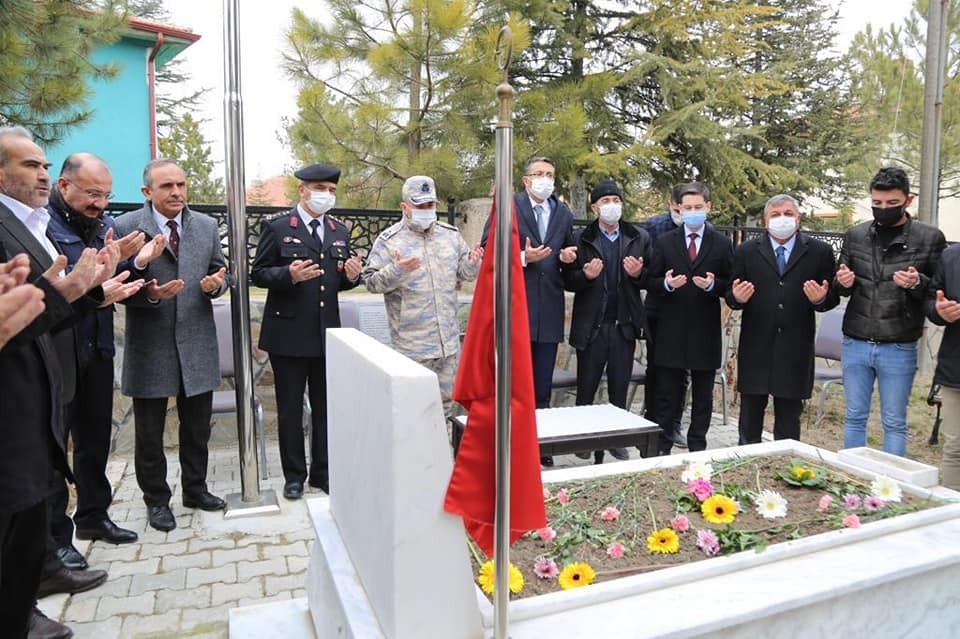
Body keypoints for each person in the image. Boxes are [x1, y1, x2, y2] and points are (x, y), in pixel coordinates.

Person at [0, 126, 121, 639]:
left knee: (44, 487)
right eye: (30, 165)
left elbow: (42, 301)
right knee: (20, 505)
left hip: (45, 373)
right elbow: (25, 306)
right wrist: (70, 291)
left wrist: (88, 289)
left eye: (45, 165)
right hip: (15, 386)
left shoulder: (30, 223)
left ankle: (40, 576)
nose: (42, 174)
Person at [115, 159, 229, 532]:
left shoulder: (206, 226)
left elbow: (219, 270)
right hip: (150, 342)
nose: (176, 192)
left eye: (181, 184)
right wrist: (149, 289)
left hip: (196, 340)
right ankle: (156, 501)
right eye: (166, 186)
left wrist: (216, 285)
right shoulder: (127, 227)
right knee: (149, 432)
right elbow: (115, 284)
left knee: (196, 428)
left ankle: (195, 490)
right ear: (147, 192)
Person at [46, 153, 147, 569]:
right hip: (59, 352)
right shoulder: (43, 227)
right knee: (54, 449)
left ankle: (93, 516)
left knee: (94, 440)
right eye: (92, 194)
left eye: (106, 195)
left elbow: (114, 277)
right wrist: (97, 287)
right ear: (64, 186)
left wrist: (132, 262)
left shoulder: (103, 225)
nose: (100, 203)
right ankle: (55, 538)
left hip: (97, 348)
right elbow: (53, 292)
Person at [251, 163, 363, 500]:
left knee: (325, 408)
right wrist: (288, 275)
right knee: (289, 409)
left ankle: (322, 473)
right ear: (302, 190)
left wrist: (351, 276)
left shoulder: (339, 231)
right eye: (319, 188)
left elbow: (337, 281)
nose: (326, 195)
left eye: (331, 190)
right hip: (288, 335)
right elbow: (259, 273)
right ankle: (294, 476)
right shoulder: (278, 227)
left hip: (326, 335)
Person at [836, 167, 945, 456]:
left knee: (894, 421)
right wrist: (842, 282)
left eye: (891, 203)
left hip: (899, 343)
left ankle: (890, 480)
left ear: (908, 200)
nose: (883, 208)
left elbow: (937, 290)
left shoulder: (929, 238)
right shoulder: (856, 235)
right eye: (877, 203)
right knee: (854, 416)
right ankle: (852, 475)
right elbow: (841, 285)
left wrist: (917, 282)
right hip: (856, 339)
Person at [482, 156, 576, 466]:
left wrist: (568, 256)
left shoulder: (563, 213)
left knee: (541, 386)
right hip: (515, 309)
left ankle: (540, 448)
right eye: (539, 173)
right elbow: (488, 248)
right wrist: (523, 257)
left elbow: (569, 254)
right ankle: (509, 448)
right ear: (526, 180)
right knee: (511, 385)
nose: (545, 179)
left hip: (549, 310)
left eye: (550, 174)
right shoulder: (507, 207)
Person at [363, 175, 482, 416]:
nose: (427, 210)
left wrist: (473, 263)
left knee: (446, 408)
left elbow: (463, 273)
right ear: (405, 207)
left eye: (431, 205)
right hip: (412, 347)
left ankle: (443, 443)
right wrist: (397, 271)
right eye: (420, 205)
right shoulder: (389, 241)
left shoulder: (450, 235)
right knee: (413, 411)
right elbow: (371, 282)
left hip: (447, 343)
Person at [725, 194, 838, 444]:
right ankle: (746, 460)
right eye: (775, 215)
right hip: (756, 346)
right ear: (765, 221)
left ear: (798, 218)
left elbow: (831, 298)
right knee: (749, 419)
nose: (782, 219)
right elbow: (731, 295)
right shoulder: (747, 251)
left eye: (788, 214)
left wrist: (820, 299)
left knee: (788, 422)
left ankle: (786, 463)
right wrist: (737, 298)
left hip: (794, 348)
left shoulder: (819, 252)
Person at [562, 179, 652, 463]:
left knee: (619, 386)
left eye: (616, 200)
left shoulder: (639, 237)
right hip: (592, 326)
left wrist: (638, 274)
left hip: (623, 325)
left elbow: (651, 277)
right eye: (605, 201)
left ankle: (617, 439)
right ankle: (582, 439)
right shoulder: (581, 238)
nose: (611, 206)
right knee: (586, 386)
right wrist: (585, 276)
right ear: (595, 208)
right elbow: (567, 280)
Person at [648, 181, 732, 455]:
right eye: (687, 207)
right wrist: (667, 284)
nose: (693, 212)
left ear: (708, 207)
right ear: (679, 209)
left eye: (698, 207)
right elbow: (650, 280)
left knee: (703, 396)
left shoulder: (722, 244)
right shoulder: (665, 242)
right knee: (667, 394)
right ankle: (663, 446)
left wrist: (712, 285)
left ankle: (698, 445)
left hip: (705, 330)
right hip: (671, 329)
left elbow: (730, 284)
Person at [642, 186, 688, 448]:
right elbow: (647, 269)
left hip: (686, 312)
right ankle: (651, 420)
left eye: (690, 207)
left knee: (681, 372)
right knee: (656, 367)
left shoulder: (704, 228)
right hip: (658, 308)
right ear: (671, 204)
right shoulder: (654, 226)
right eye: (679, 206)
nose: (684, 212)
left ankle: (674, 424)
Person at [926, 246, 960, 490]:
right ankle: (952, 509)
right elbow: (931, 300)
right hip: (955, 369)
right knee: (955, 447)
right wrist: (939, 312)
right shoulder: (951, 257)